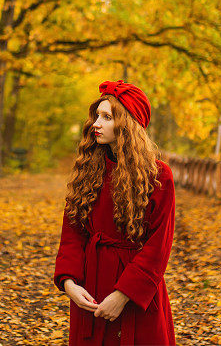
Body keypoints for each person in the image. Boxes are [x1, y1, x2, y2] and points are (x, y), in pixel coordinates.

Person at [53, 80, 176, 346]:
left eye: (107, 117)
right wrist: (70, 284)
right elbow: (72, 233)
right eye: (97, 115)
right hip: (91, 288)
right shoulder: (87, 170)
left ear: (127, 125)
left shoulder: (159, 176)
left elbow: (159, 246)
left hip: (137, 294)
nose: (96, 123)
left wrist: (123, 294)